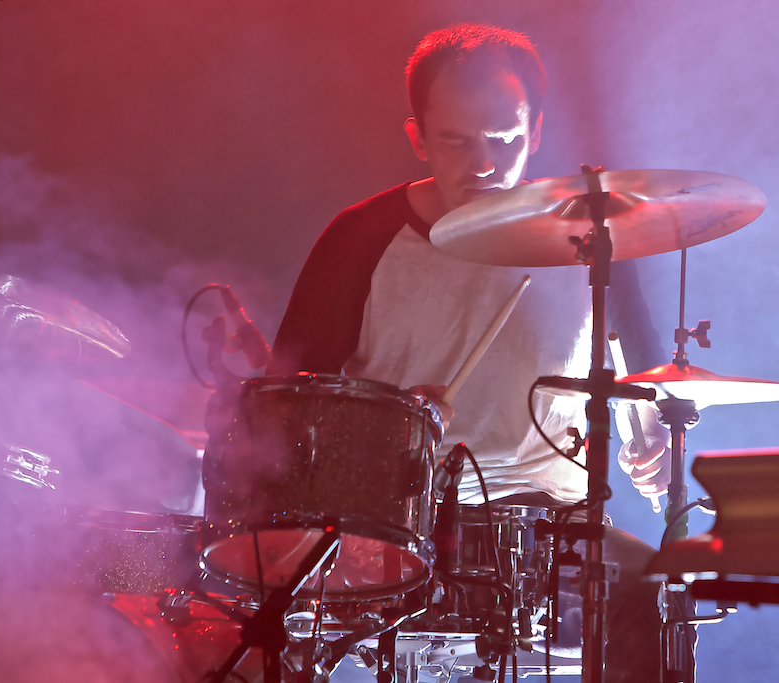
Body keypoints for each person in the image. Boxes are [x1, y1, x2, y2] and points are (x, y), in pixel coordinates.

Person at [269, 23, 669, 683]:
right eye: (455, 140)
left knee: (649, 588)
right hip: (394, 525)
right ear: (417, 136)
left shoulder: (589, 237)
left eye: (504, 139)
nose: (483, 163)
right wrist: (383, 427)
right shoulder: (359, 239)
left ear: (536, 132)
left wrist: (649, 440)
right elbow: (287, 404)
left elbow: (648, 381)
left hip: (551, 525)